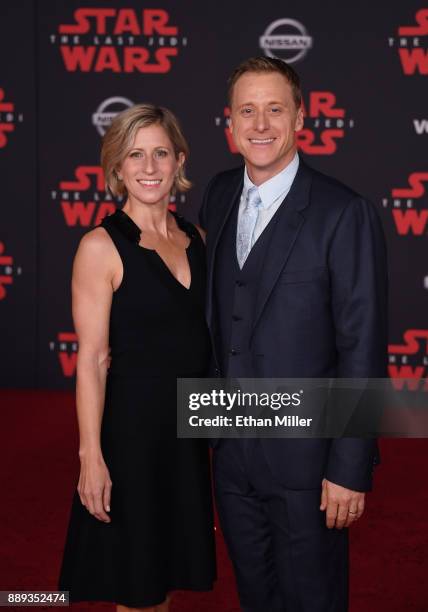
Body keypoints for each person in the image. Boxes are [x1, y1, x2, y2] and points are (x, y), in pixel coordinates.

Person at [199, 57, 388, 612]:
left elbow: (363, 346)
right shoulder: (216, 194)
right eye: (247, 110)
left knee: (313, 601)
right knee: (255, 597)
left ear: (301, 117)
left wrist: (349, 468)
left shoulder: (343, 212)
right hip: (230, 454)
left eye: (275, 109)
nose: (260, 124)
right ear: (229, 122)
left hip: (308, 462)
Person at [59, 104, 216, 611]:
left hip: (184, 438)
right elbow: (93, 360)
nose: (149, 167)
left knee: (165, 581)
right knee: (136, 587)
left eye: (160, 153)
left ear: (179, 161)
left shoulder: (197, 240)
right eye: (135, 155)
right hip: (130, 441)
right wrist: (91, 457)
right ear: (118, 169)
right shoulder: (100, 247)